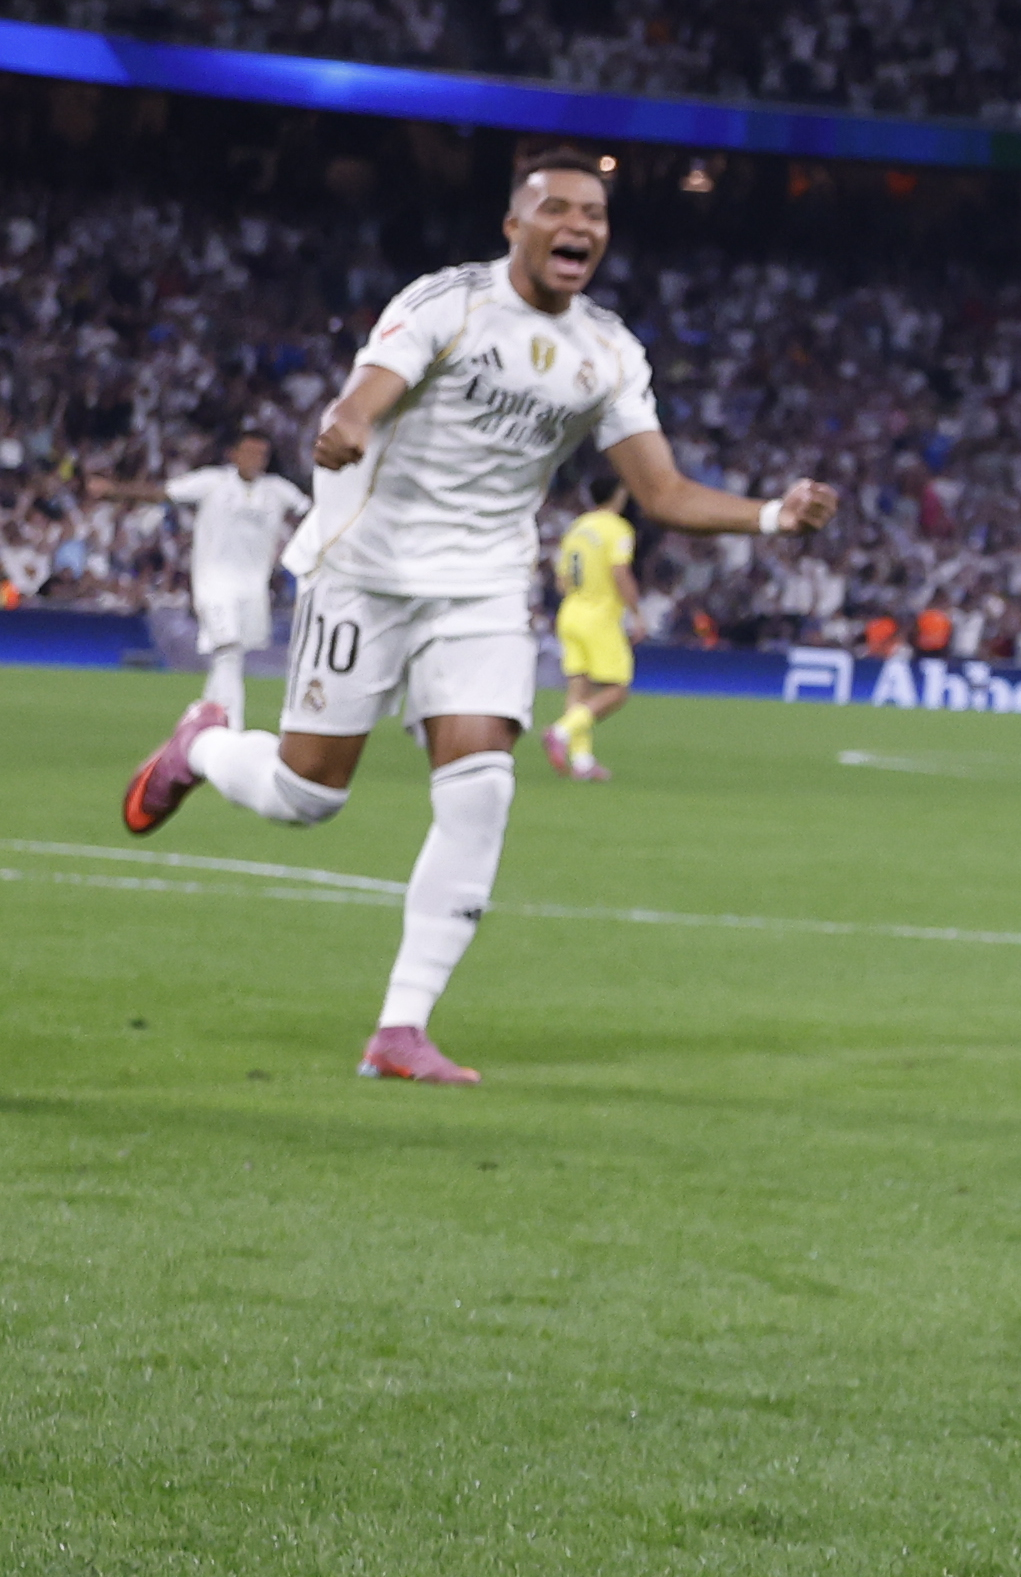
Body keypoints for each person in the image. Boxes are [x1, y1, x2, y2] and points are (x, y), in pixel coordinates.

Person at [118, 143, 837, 1081]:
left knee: (483, 787)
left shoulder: (609, 352)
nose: (578, 226)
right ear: (514, 226)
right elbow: (364, 395)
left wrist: (773, 515)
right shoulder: (445, 303)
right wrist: (349, 424)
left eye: (594, 215)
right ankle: (203, 747)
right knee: (308, 796)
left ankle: (400, 1030)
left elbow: (661, 491)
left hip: (486, 584)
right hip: (366, 573)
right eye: (557, 210)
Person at [91, 417, 304, 723]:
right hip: (214, 584)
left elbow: (311, 513)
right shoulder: (213, 482)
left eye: (262, 454)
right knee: (228, 648)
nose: (256, 460)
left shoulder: (278, 491)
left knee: (230, 656)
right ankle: (231, 726)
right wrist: (113, 490)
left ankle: (204, 719)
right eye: (249, 452)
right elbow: (161, 493)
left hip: (254, 589)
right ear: (234, 454)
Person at [544, 477, 638, 781]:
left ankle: (582, 762)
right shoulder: (616, 528)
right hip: (599, 616)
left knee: (579, 688)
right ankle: (560, 732)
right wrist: (636, 613)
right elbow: (619, 571)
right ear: (618, 495)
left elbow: (561, 580)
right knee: (617, 691)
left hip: (570, 613)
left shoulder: (577, 527)